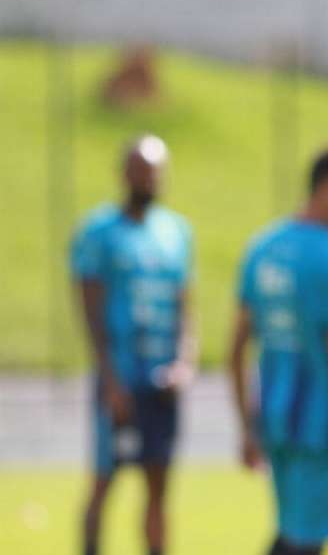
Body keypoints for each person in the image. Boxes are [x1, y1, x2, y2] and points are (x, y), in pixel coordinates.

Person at [228, 145, 328, 555]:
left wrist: (246, 422)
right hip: (320, 424)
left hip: (275, 419)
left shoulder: (261, 248)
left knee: (291, 530)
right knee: (305, 541)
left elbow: (236, 346)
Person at [71, 134, 195, 555]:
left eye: (157, 171)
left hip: (161, 381)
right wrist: (110, 379)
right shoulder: (99, 231)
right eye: (143, 170)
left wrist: (184, 362)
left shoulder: (176, 232)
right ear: (125, 173)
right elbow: (90, 311)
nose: (151, 179)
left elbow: (186, 307)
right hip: (121, 378)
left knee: (159, 485)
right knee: (105, 479)